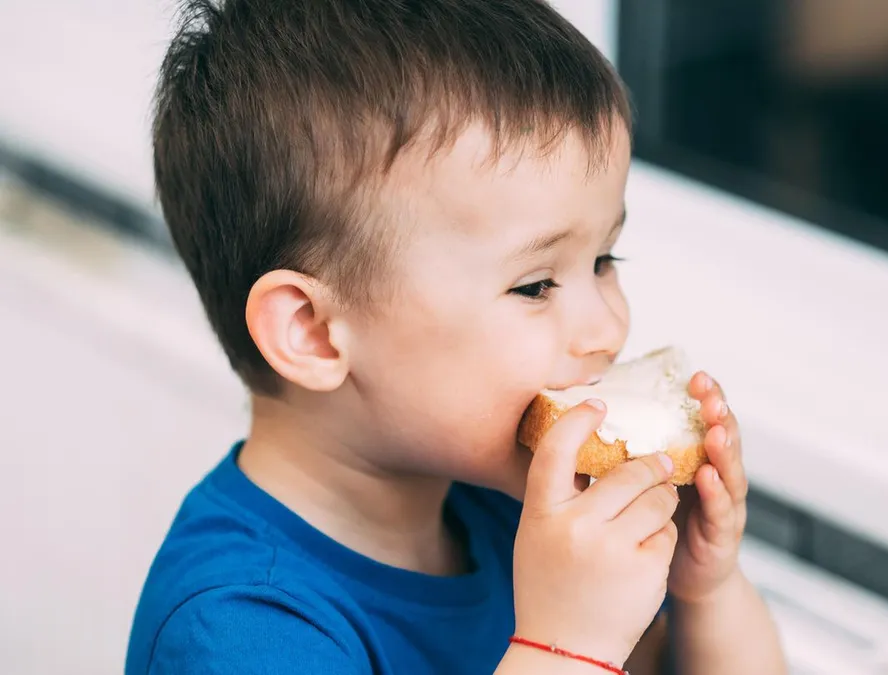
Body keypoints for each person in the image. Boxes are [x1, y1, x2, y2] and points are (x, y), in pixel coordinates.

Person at [124, 1, 788, 673]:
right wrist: (562, 646)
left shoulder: (514, 516)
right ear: (315, 332)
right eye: (534, 285)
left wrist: (704, 587)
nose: (608, 328)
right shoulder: (239, 630)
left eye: (604, 261)